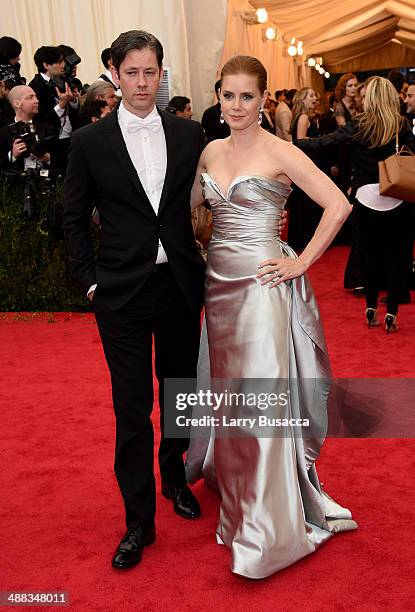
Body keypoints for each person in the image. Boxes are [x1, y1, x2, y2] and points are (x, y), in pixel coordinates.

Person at [187, 55, 357, 579]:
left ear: (264, 99)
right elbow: (197, 210)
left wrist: (300, 260)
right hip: (218, 286)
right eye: (228, 95)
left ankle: (264, 522)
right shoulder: (210, 150)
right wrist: (201, 245)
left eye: (247, 96)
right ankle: (238, 487)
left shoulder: (281, 150)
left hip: (263, 286)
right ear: (219, 95)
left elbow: (338, 205)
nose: (236, 106)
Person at [63, 29, 207, 572]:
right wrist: (90, 282)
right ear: (114, 73)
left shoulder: (189, 134)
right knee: (131, 409)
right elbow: (72, 219)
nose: (143, 83)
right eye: (132, 73)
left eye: (152, 72)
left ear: (160, 73)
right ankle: (138, 522)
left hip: (177, 287)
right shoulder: (89, 142)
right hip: (120, 292)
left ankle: (175, 479)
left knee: (179, 394)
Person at [298, 77, 415, 331]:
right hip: (396, 197)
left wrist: (296, 143)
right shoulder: (401, 124)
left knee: (369, 256)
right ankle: (392, 312)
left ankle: (371, 307)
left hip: (365, 199)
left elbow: (326, 141)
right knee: (396, 257)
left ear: (370, 97)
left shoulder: (359, 124)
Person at [287, 87, 324, 251]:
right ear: (302, 99)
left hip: (306, 163)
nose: (315, 98)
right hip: (305, 164)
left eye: (315, 94)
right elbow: (301, 142)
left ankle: (304, 239)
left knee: (305, 203)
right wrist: (320, 140)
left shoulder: (307, 116)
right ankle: (305, 240)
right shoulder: (303, 117)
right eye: (311, 95)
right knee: (305, 203)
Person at [0, 85, 57, 172]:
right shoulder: (3, 133)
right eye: (30, 97)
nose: (37, 101)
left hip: (47, 182)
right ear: (17, 103)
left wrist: (47, 158)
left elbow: (63, 162)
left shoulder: (49, 129)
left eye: (36, 96)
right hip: (15, 183)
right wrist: (12, 155)